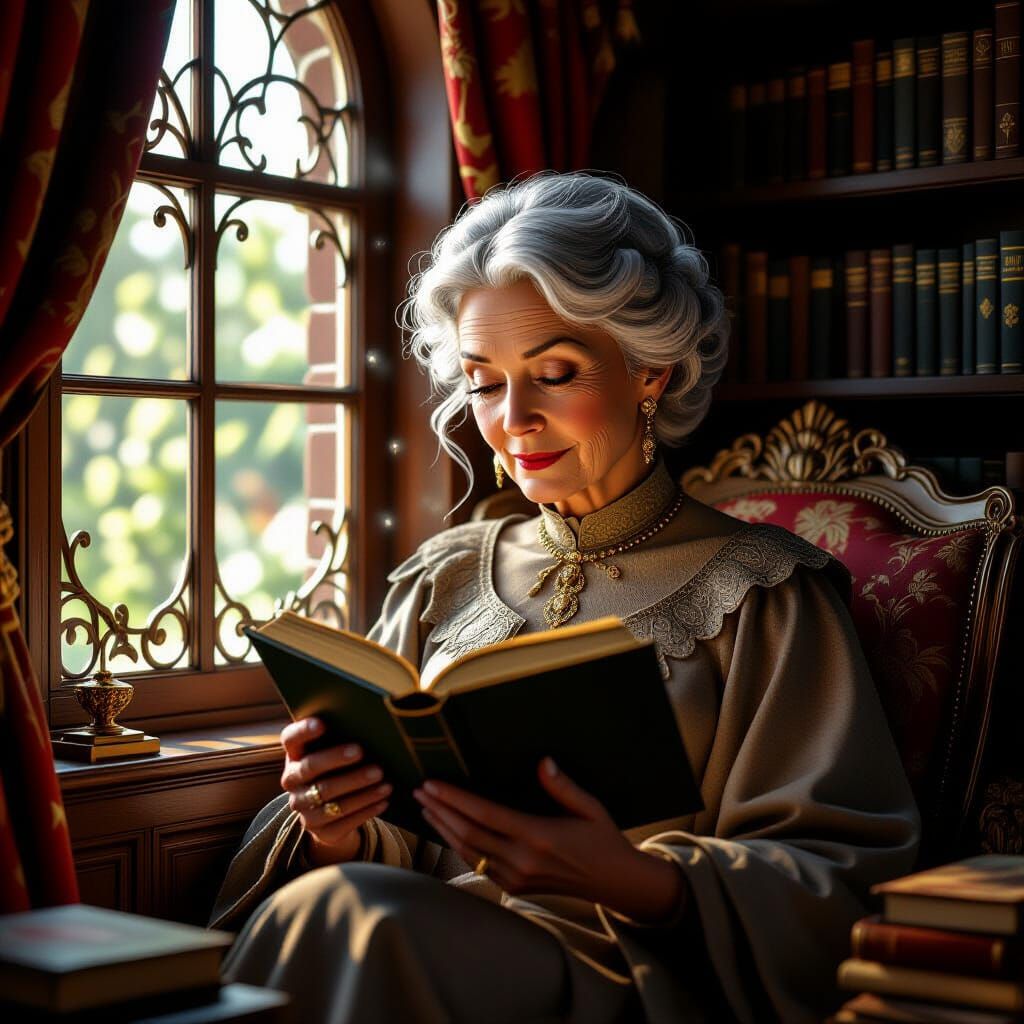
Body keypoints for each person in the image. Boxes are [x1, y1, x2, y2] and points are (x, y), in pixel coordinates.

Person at [211, 172, 921, 1023]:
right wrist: (338, 827)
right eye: (482, 381)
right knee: (342, 907)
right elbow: (394, 836)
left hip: (626, 975)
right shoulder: (442, 575)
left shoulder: (766, 594)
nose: (513, 418)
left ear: (650, 371)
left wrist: (636, 880)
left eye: (554, 372)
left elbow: (845, 880)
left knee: (354, 919)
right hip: (409, 947)